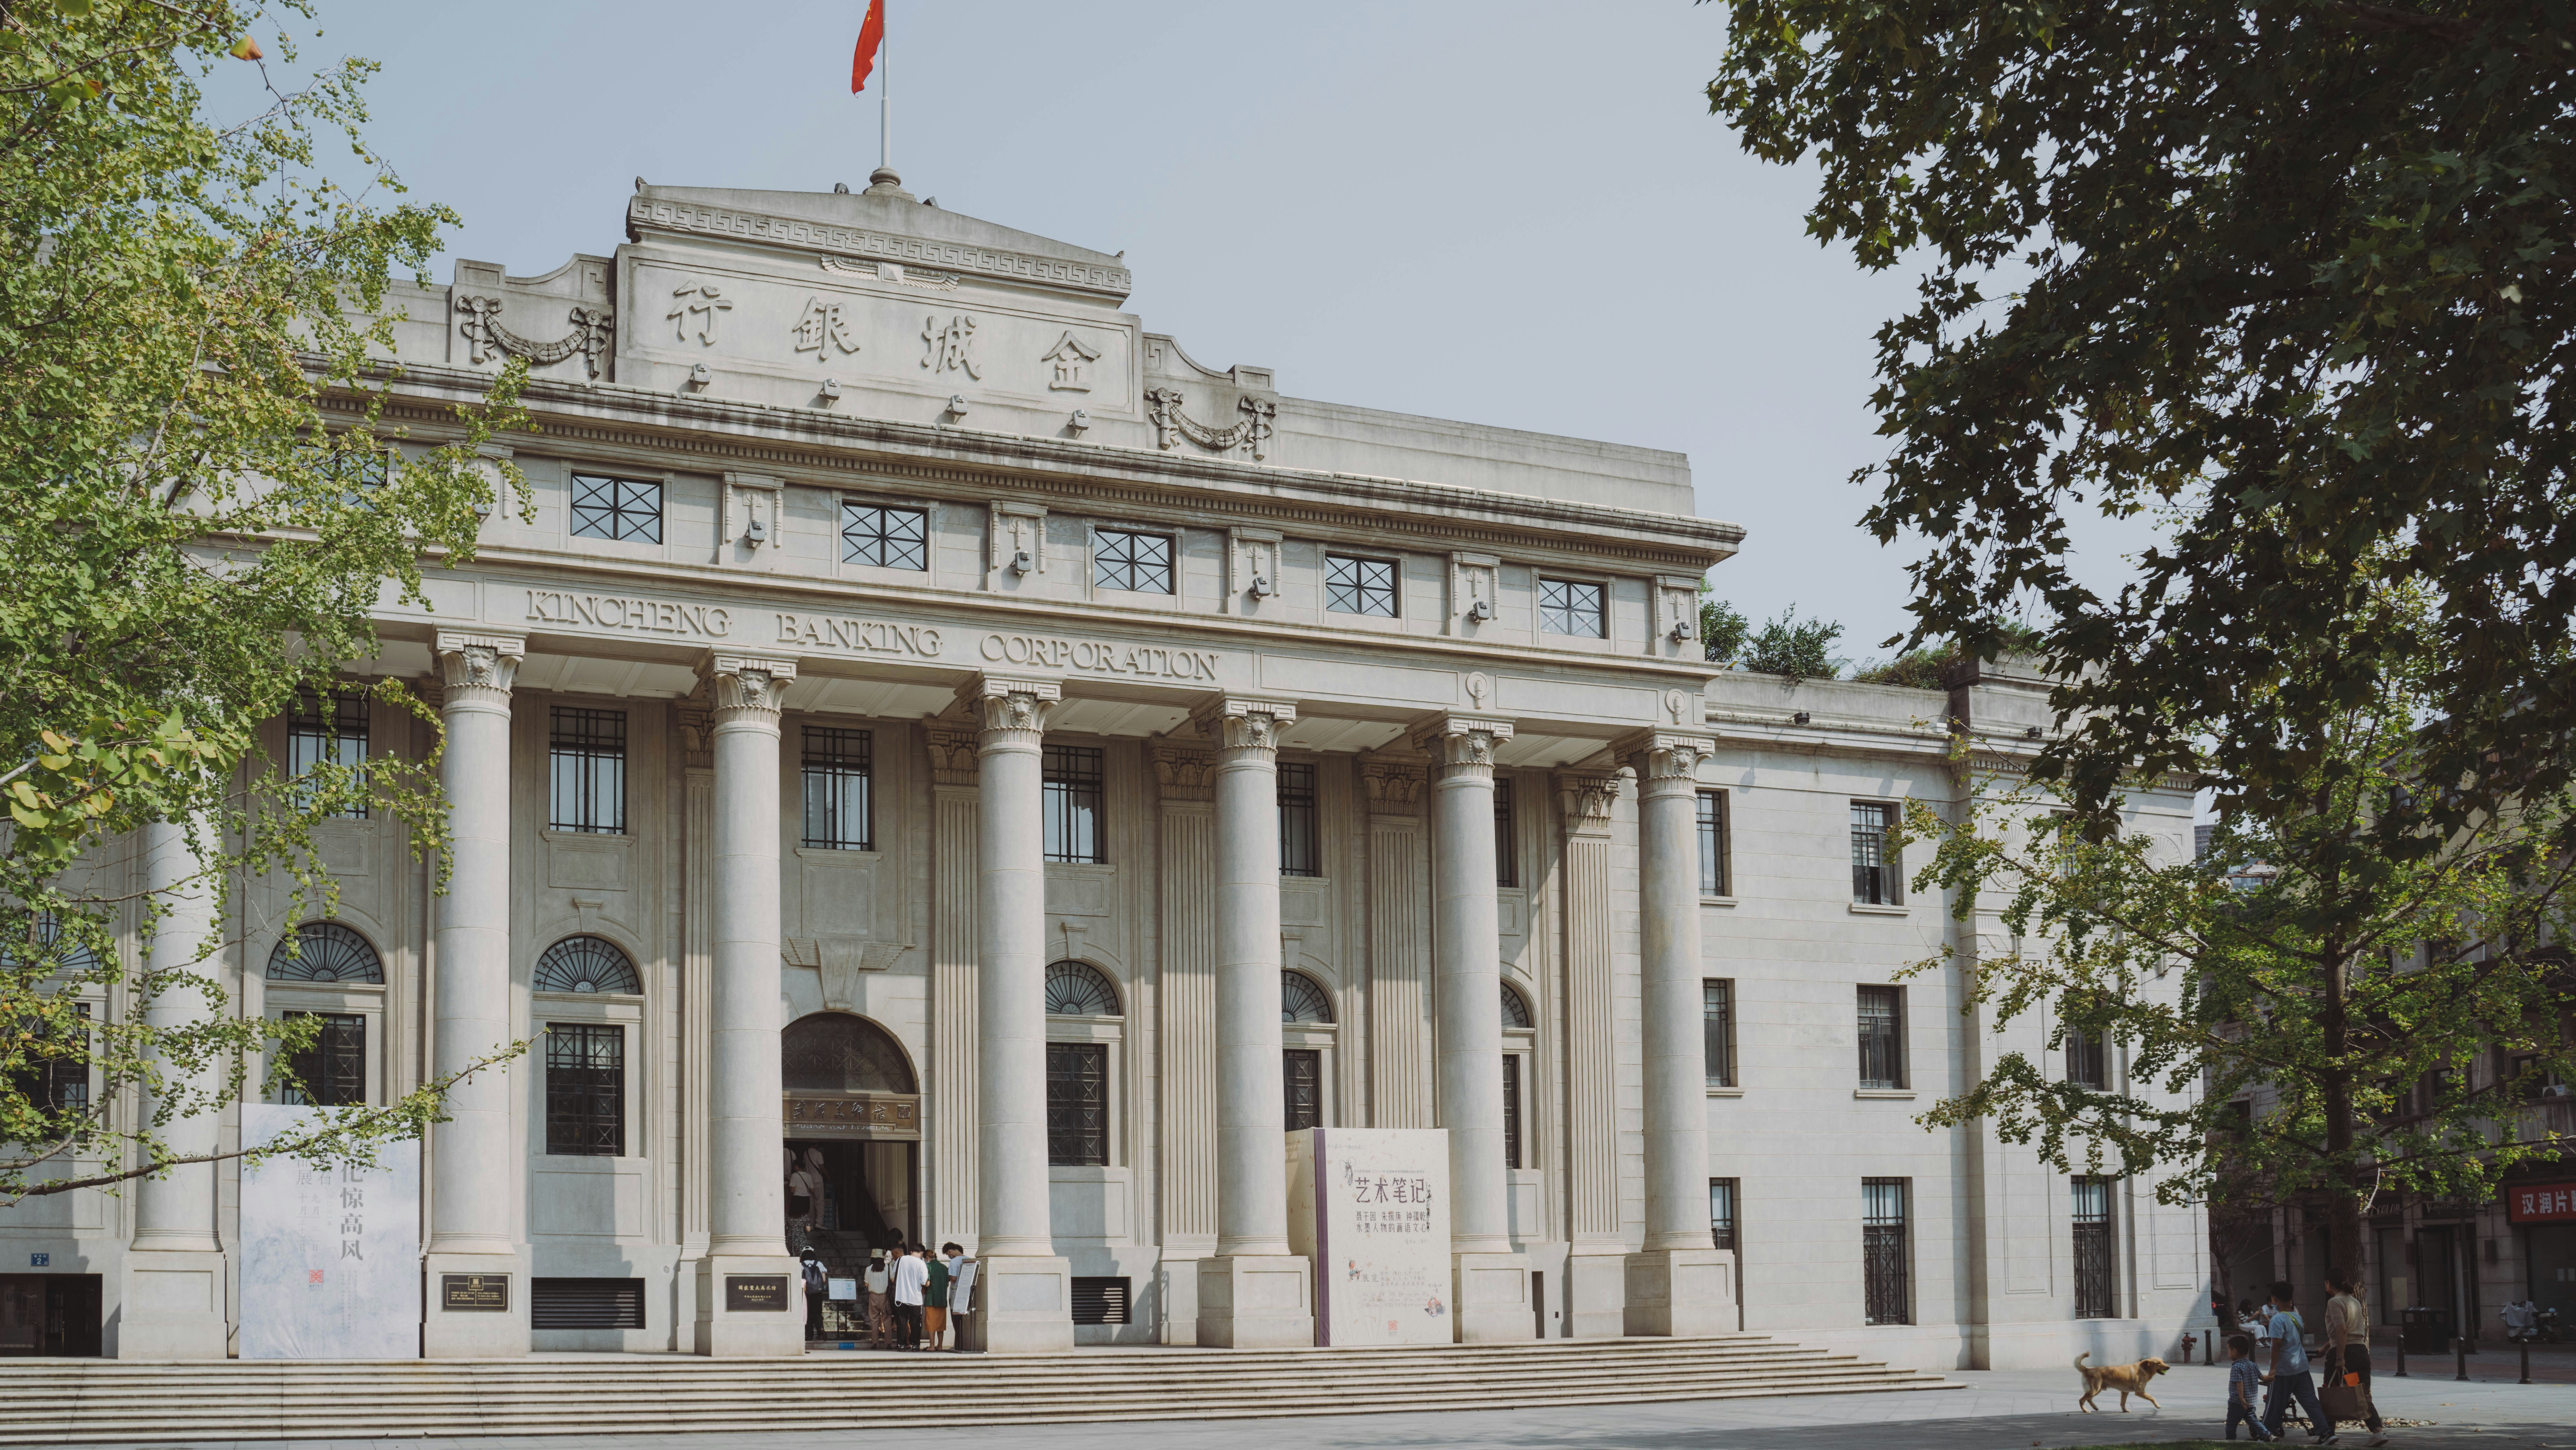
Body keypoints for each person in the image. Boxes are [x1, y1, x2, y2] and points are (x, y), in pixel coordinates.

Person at [2262, 1279, 2337, 1444]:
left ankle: (2265, 1433)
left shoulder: (2277, 1320)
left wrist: (2273, 1370)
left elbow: (2277, 1345)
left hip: (2283, 1369)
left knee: (2275, 1403)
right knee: (2310, 1401)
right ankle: (2325, 1432)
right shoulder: (2296, 1317)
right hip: (2301, 1367)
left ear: (2274, 1299)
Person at [2324, 1272, 2387, 1447]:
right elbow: (2346, 1331)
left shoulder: (2334, 1302)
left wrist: (2339, 1357)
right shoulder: (2354, 1301)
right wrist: (2325, 1346)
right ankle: (2377, 1432)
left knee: (2332, 1390)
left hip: (2346, 1354)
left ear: (2329, 1283)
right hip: (2360, 1350)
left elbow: (2342, 1330)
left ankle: (2327, 1433)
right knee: (2361, 1394)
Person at [2225, 1333, 2275, 1442]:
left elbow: (2240, 1383)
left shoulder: (2236, 1367)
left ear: (2234, 1352)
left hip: (2238, 1402)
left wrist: (2242, 1398)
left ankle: (2230, 1440)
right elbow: (2262, 1377)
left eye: (2228, 1350)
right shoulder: (2253, 1365)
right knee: (2253, 1420)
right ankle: (2268, 1435)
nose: (2228, 1353)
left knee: (2231, 1422)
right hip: (2251, 1402)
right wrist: (2272, 1378)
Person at [891, 1242, 928, 1350]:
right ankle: (915, 1345)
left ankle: (901, 1345)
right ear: (921, 1253)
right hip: (915, 1298)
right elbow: (923, 1281)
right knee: (915, 1323)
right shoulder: (921, 1264)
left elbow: (894, 1276)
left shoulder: (901, 1260)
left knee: (902, 1322)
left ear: (912, 1251)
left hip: (900, 1297)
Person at [923, 1241, 952, 1351]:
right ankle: (940, 1346)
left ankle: (932, 1346)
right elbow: (947, 1283)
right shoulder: (944, 1268)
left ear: (927, 1257)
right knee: (941, 1324)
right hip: (942, 1299)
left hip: (931, 1299)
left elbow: (928, 1283)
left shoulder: (928, 1267)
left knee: (931, 1323)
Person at [863, 1251, 893, 1351]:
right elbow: (893, 1280)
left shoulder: (868, 1269)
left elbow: (866, 1284)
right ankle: (889, 1343)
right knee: (887, 1320)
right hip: (885, 1297)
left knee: (874, 1320)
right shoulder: (888, 1268)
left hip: (873, 1296)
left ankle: (875, 1343)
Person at [798, 1248, 828, 1343]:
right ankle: (821, 1329)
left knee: (808, 1314)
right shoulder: (819, 1264)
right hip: (818, 1293)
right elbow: (823, 1280)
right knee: (818, 1312)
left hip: (806, 1293)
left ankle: (809, 1335)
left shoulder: (801, 1265)